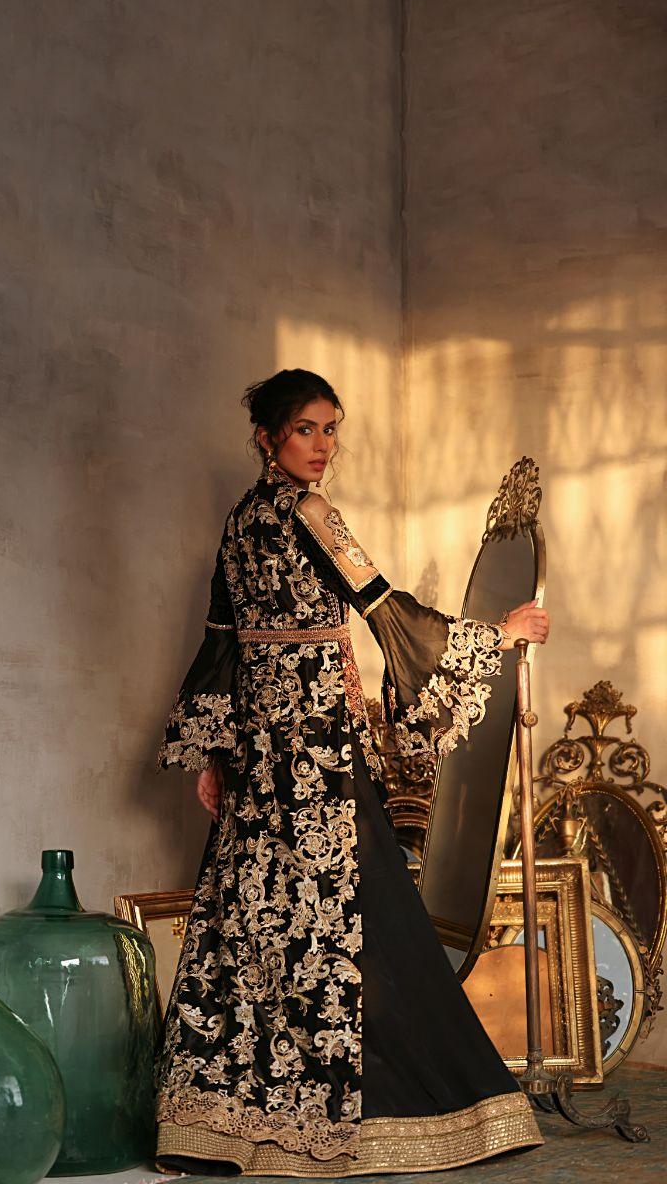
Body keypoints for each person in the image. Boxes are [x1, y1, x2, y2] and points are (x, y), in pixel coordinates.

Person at [153, 369, 549, 1176]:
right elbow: (383, 607)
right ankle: (409, 1113)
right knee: (355, 921)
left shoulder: (239, 521)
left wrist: (219, 753)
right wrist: (497, 635)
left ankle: (230, 1125)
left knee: (257, 924)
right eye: (306, 429)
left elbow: (220, 645)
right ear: (267, 436)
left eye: (331, 429)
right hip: (314, 756)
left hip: (263, 755)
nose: (323, 446)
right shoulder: (308, 514)